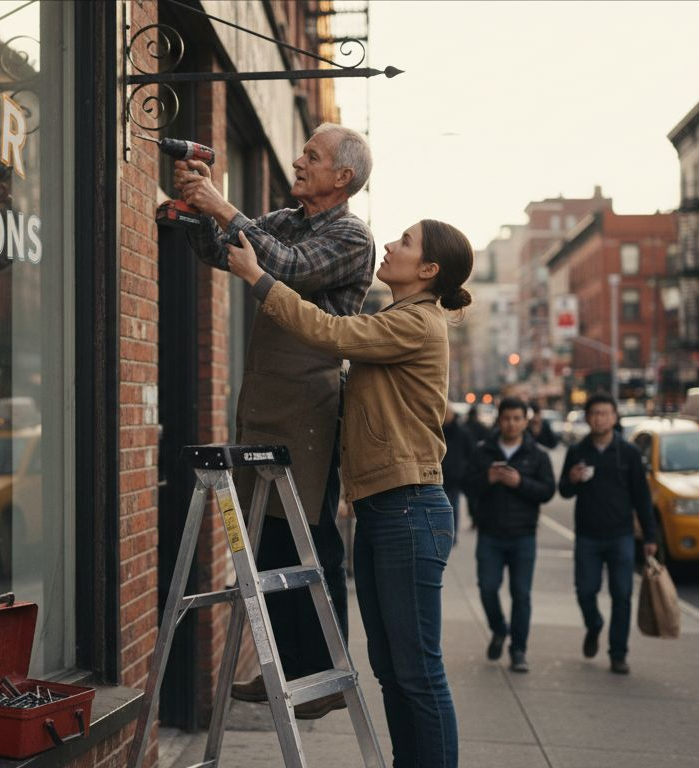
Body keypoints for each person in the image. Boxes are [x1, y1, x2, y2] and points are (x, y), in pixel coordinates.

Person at [225, 217, 473, 768]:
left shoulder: (419, 324)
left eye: (405, 243)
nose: (390, 244)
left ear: (428, 270)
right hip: (384, 508)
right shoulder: (397, 317)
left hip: (409, 510)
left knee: (417, 672)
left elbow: (332, 334)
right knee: (390, 669)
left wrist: (259, 276)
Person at [176, 123, 375, 719]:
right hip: (265, 398)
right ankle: (282, 670)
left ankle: (324, 677)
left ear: (343, 177)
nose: (298, 160)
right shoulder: (287, 219)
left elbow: (287, 268)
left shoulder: (352, 236)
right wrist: (192, 205)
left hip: (311, 407)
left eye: (311, 156)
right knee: (264, 545)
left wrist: (222, 204)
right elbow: (221, 250)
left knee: (309, 543)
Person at [558, 393, 657, 675]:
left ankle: (618, 653)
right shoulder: (577, 451)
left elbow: (642, 497)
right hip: (587, 535)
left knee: (622, 595)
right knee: (585, 591)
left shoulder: (628, 453)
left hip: (620, 535)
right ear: (588, 418)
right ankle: (594, 625)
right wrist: (572, 479)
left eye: (605, 413)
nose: (600, 418)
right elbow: (564, 490)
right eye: (595, 413)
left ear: (614, 417)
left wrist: (650, 537)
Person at [464, 397, 555, 673]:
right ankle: (499, 629)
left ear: (525, 422)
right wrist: (488, 479)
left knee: (521, 594)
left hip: (523, 535)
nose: (511, 423)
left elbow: (548, 491)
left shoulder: (537, 454)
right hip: (490, 533)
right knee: (487, 587)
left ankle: (519, 650)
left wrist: (520, 483)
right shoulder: (483, 451)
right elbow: (467, 485)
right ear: (499, 420)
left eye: (517, 418)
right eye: (507, 418)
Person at [441, 402, 473, 543]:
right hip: (438, 476)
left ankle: (451, 536)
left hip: (454, 477)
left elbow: (471, 452)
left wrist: (463, 469)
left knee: (453, 507)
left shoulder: (462, 431)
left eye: (447, 413)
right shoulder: (436, 431)